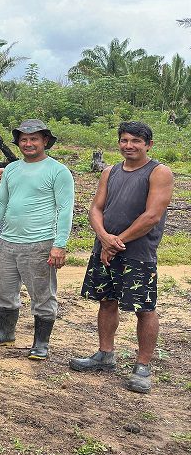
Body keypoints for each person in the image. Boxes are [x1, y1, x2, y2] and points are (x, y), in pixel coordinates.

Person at [70, 121, 173, 393]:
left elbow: (152, 216)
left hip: (138, 253)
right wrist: (104, 237)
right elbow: (96, 208)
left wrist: (116, 242)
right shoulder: (110, 171)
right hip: (104, 249)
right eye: (125, 140)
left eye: (136, 141)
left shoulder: (159, 172)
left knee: (144, 308)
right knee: (106, 301)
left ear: (148, 145)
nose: (129, 146)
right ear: (119, 143)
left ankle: (143, 366)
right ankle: (105, 354)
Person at [0, 120, 75, 360]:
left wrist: (59, 244)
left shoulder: (58, 171)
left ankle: (41, 343)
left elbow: (65, 209)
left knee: (42, 294)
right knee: (5, 289)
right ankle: (5, 332)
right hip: (7, 242)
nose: (28, 143)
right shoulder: (12, 169)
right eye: (23, 139)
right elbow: (0, 203)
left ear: (45, 141)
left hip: (40, 243)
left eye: (34, 139)